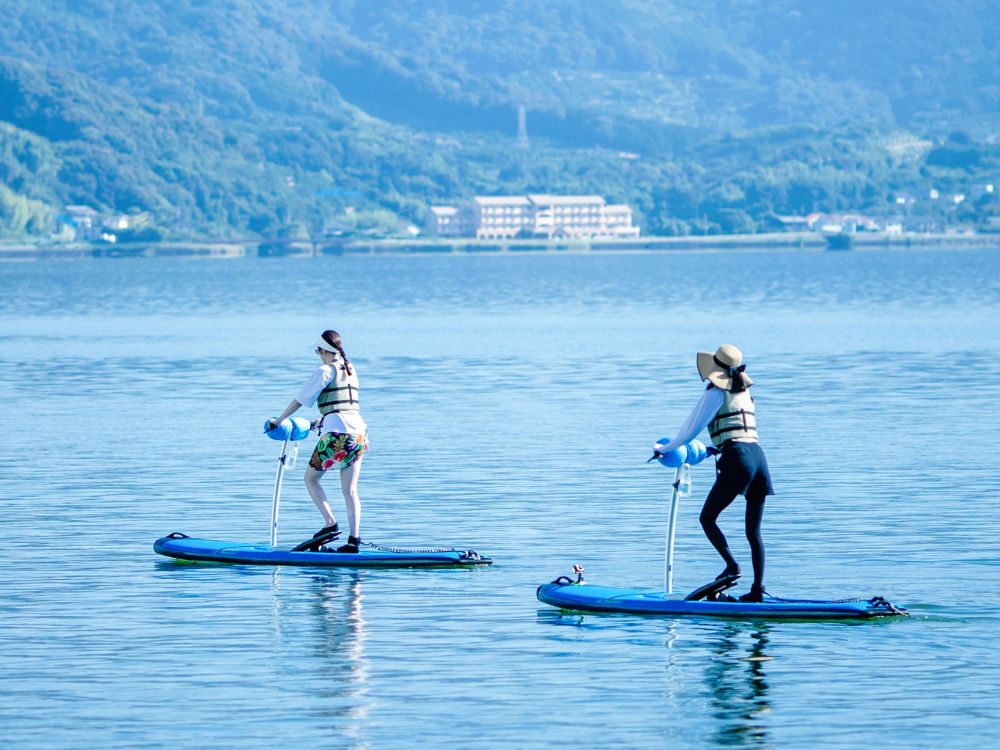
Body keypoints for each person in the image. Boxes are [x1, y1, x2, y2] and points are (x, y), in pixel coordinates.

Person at [654, 344, 774, 602]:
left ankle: (732, 566)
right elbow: (736, 431)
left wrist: (665, 448)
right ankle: (757, 591)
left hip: (738, 459)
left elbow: (690, 429)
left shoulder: (715, 392)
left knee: (707, 518)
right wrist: (712, 450)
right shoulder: (745, 393)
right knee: (753, 532)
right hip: (759, 459)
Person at [267, 329, 368, 553]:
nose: (318, 355)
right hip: (360, 434)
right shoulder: (351, 369)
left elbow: (300, 399)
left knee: (311, 479)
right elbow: (341, 407)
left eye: (318, 351)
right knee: (350, 490)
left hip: (338, 435)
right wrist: (316, 424)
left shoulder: (325, 370)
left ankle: (330, 524)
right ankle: (354, 541)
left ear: (324, 351)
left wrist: (279, 420)